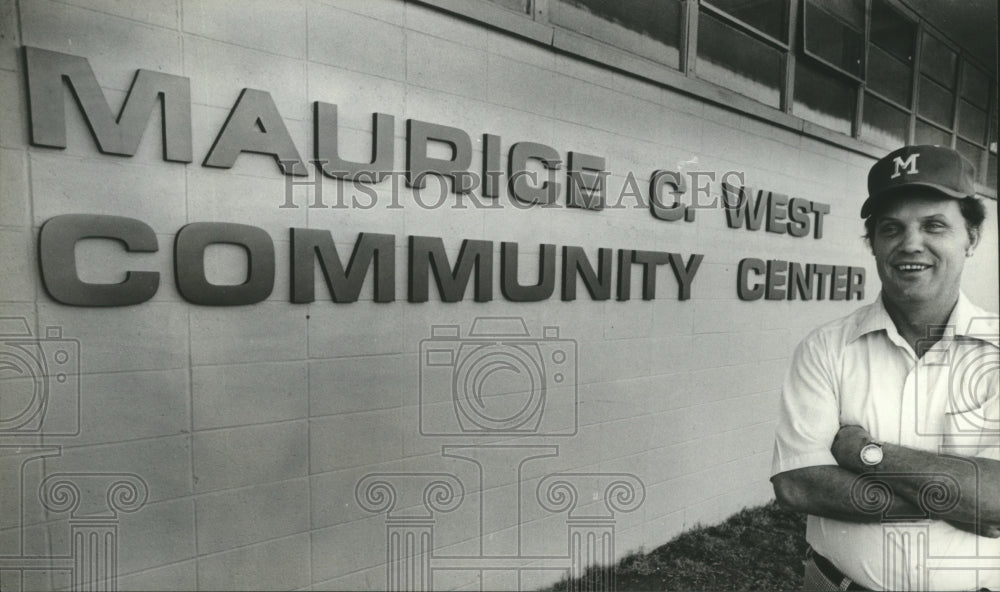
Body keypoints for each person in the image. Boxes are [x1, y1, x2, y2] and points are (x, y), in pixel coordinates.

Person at [770, 144, 1000, 591]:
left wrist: (864, 454)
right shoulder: (825, 348)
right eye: (891, 229)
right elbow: (800, 486)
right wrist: (958, 500)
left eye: (934, 225)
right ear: (873, 244)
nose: (910, 243)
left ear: (970, 237)